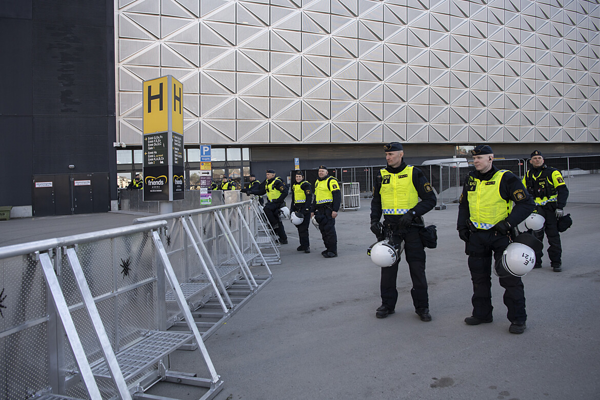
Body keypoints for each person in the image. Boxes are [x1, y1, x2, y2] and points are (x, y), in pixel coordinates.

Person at [457, 144, 535, 334]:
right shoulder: (471, 179)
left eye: (480, 158)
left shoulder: (506, 178)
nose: (475, 161)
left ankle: (518, 319)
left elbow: (526, 204)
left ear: (491, 158)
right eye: (474, 158)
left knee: (509, 279)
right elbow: (464, 204)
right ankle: (482, 314)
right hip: (477, 236)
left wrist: (508, 223)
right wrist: (461, 226)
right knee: (479, 278)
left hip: (501, 236)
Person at [370, 142, 437, 321]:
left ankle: (422, 308)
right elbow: (376, 201)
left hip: (412, 229)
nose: (388, 157)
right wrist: (374, 221)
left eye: (391, 154)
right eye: (386, 155)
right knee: (388, 270)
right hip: (391, 230)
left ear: (401, 154)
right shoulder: (380, 175)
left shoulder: (414, 173)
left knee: (417, 269)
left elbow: (430, 199)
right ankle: (387, 305)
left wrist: (412, 213)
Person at [523, 150, 569, 272]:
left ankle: (556, 262)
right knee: (534, 237)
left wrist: (560, 207)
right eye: (534, 158)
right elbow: (522, 192)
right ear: (531, 161)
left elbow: (563, 190)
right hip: (535, 210)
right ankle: (536, 261)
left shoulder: (553, 173)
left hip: (550, 210)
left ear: (543, 160)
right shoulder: (528, 175)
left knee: (553, 236)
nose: (537, 160)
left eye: (539, 158)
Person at [243, 169, 288, 244]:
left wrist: (278, 200)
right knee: (278, 222)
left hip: (276, 203)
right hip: (272, 203)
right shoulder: (267, 182)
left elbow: (285, 192)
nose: (267, 176)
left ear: (273, 175)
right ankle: (283, 238)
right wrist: (250, 191)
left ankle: (273, 224)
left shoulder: (277, 182)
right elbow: (262, 192)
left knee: (266, 209)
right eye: (266, 174)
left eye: (268, 174)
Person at [311, 165, 341, 258]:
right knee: (323, 231)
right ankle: (328, 248)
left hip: (329, 210)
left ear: (327, 172)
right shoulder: (317, 182)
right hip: (320, 211)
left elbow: (337, 196)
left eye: (322, 171)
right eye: (319, 171)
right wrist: (312, 210)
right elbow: (316, 197)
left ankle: (333, 251)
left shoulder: (331, 181)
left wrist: (335, 210)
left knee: (330, 231)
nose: (321, 173)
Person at [290, 171, 312, 253]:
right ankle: (302, 244)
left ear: (302, 177)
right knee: (299, 227)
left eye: (299, 176)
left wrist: (306, 209)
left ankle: (306, 246)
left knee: (304, 228)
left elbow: (309, 197)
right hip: (297, 208)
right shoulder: (294, 185)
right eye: (297, 176)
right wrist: (291, 209)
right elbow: (293, 198)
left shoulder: (306, 185)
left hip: (304, 208)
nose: (298, 178)